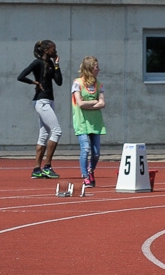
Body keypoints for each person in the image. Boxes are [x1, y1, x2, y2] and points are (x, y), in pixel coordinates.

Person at [17, 40, 63, 179]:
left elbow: (59, 82)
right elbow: (21, 76)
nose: (55, 51)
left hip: (49, 101)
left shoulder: (51, 64)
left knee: (44, 135)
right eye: (53, 49)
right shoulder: (37, 63)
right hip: (41, 101)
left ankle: (37, 169)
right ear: (46, 50)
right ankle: (47, 166)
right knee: (57, 131)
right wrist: (34, 82)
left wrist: (56, 64)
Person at [71, 56, 106, 188]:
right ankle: (85, 176)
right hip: (81, 122)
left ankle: (91, 170)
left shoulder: (99, 84)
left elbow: (102, 103)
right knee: (85, 149)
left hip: (95, 122)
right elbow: (80, 103)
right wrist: (95, 102)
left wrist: (90, 104)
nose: (99, 69)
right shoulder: (77, 83)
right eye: (96, 67)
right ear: (90, 68)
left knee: (96, 153)